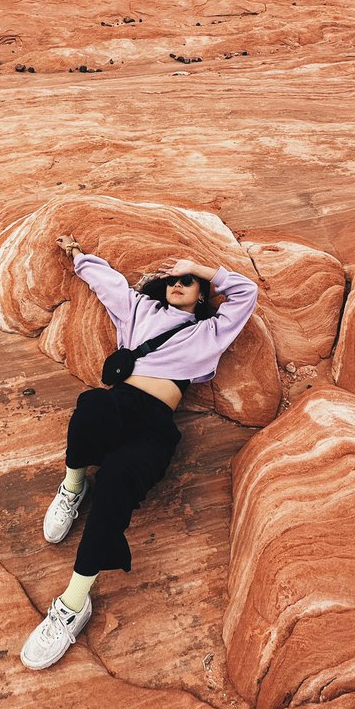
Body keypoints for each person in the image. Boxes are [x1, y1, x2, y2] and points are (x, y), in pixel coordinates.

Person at [20, 233, 259, 670]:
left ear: (203, 293)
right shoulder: (140, 310)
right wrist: (76, 254)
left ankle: (73, 604)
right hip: (119, 403)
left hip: (156, 423)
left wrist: (201, 267)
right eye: (172, 279)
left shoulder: (210, 332)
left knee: (116, 485)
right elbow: (106, 282)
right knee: (91, 406)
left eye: (188, 281)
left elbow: (246, 292)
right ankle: (74, 487)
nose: (177, 283)